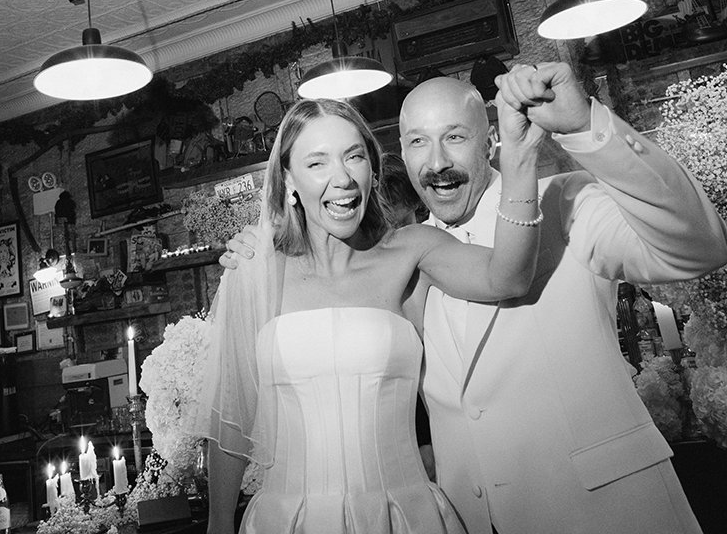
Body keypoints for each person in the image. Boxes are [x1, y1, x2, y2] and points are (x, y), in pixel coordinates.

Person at [227, 63, 727, 534]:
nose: (438, 161)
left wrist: (585, 125)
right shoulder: (404, 259)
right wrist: (259, 252)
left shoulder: (565, 202)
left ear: (490, 139)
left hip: (609, 514)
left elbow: (700, 248)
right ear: (401, 156)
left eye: (455, 136)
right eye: (419, 142)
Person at [198, 64, 546, 534]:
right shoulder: (254, 267)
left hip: (406, 515)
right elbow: (231, 429)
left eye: (353, 157)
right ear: (289, 180)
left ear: (373, 167)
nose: (340, 178)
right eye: (316, 162)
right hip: (288, 520)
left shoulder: (414, 249)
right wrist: (218, 527)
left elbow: (508, 278)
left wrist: (521, 158)